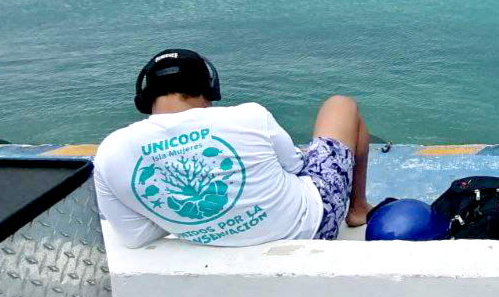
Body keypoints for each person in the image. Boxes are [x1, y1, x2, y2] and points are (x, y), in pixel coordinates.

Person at [93, 49, 373, 248]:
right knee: (340, 105)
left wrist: (198, 220)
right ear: (208, 90)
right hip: (314, 227)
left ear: (144, 98)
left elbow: (135, 236)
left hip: (213, 247)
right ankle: (358, 208)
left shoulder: (110, 152)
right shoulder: (250, 116)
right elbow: (297, 168)